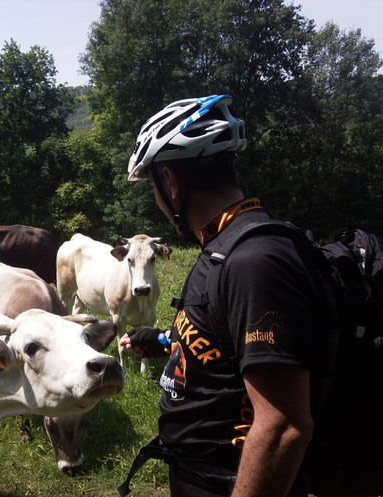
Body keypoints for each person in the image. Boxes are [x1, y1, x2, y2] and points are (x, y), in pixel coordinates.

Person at [118, 95, 318, 497]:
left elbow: (282, 426)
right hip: (197, 473)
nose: (157, 201)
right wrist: (161, 341)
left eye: (153, 187)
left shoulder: (254, 260)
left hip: (228, 481)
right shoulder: (222, 246)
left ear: (171, 182)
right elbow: (229, 341)